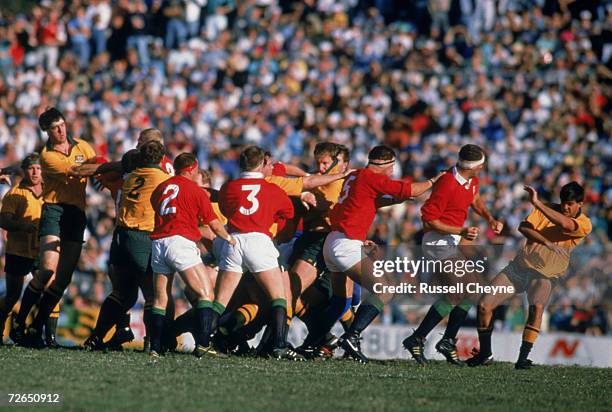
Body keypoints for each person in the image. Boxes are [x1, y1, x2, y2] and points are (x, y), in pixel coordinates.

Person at [322, 145, 442, 363]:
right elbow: (411, 189)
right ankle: (352, 336)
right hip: (345, 243)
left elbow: (372, 201)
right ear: (386, 164)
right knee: (385, 290)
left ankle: (313, 343)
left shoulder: (358, 175)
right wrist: (433, 181)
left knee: (340, 302)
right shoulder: (371, 176)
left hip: (334, 240)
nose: (393, 170)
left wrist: (396, 200)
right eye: (393, 166)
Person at [467, 182, 591, 369]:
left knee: (537, 308)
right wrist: (546, 241)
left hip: (545, 275)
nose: (566, 207)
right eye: (564, 202)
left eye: (571, 204)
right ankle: (485, 354)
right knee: (484, 305)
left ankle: (522, 359)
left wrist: (537, 203)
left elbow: (565, 224)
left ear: (580, 204)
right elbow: (523, 228)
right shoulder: (546, 208)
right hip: (519, 268)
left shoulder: (585, 223)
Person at [403, 144, 503, 366]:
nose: (484, 167)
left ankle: (443, 340)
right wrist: (461, 231)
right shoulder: (447, 183)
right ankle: (419, 339)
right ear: (476, 166)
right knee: (462, 292)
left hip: (451, 241)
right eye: (482, 164)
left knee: (469, 291)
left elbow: (474, 199)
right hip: (437, 243)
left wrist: (489, 218)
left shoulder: (470, 180)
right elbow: (428, 220)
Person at [15, 107, 96, 348]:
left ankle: (36, 327)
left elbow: (95, 164)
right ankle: (20, 321)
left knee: (63, 280)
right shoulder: (47, 156)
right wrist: (107, 168)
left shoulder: (83, 146)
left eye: (62, 124)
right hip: (55, 210)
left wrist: (104, 175)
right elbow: (80, 170)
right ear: (46, 132)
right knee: (48, 270)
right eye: (54, 128)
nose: (60, 130)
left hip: (77, 213)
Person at [210, 146, 299, 360]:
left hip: (234, 241)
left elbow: (224, 209)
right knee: (278, 297)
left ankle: (206, 341)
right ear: (261, 164)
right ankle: (278, 345)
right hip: (260, 241)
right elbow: (288, 212)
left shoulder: (229, 187)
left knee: (220, 300)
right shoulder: (272, 190)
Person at [83, 141, 171, 351]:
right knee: (153, 293)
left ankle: (96, 337)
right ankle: (153, 344)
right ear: (161, 160)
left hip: (120, 238)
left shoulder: (129, 177)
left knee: (122, 293)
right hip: (141, 237)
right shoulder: (162, 179)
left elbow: (108, 171)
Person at [149, 152, 235, 359]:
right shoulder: (195, 191)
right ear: (192, 169)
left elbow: (155, 205)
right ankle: (204, 344)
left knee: (160, 299)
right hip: (180, 242)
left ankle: (156, 347)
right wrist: (230, 239)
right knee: (206, 293)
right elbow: (214, 224)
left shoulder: (161, 188)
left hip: (159, 243)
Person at [0, 154, 44, 344]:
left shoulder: (49, 190)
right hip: (18, 250)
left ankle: (40, 333)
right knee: (12, 296)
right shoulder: (15, 194)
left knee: (48, 287)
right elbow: (3, 220)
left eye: (38, 168)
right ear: (24, 171)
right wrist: (21, 225)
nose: (35, 172)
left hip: (41, 250)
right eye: (31, 168)